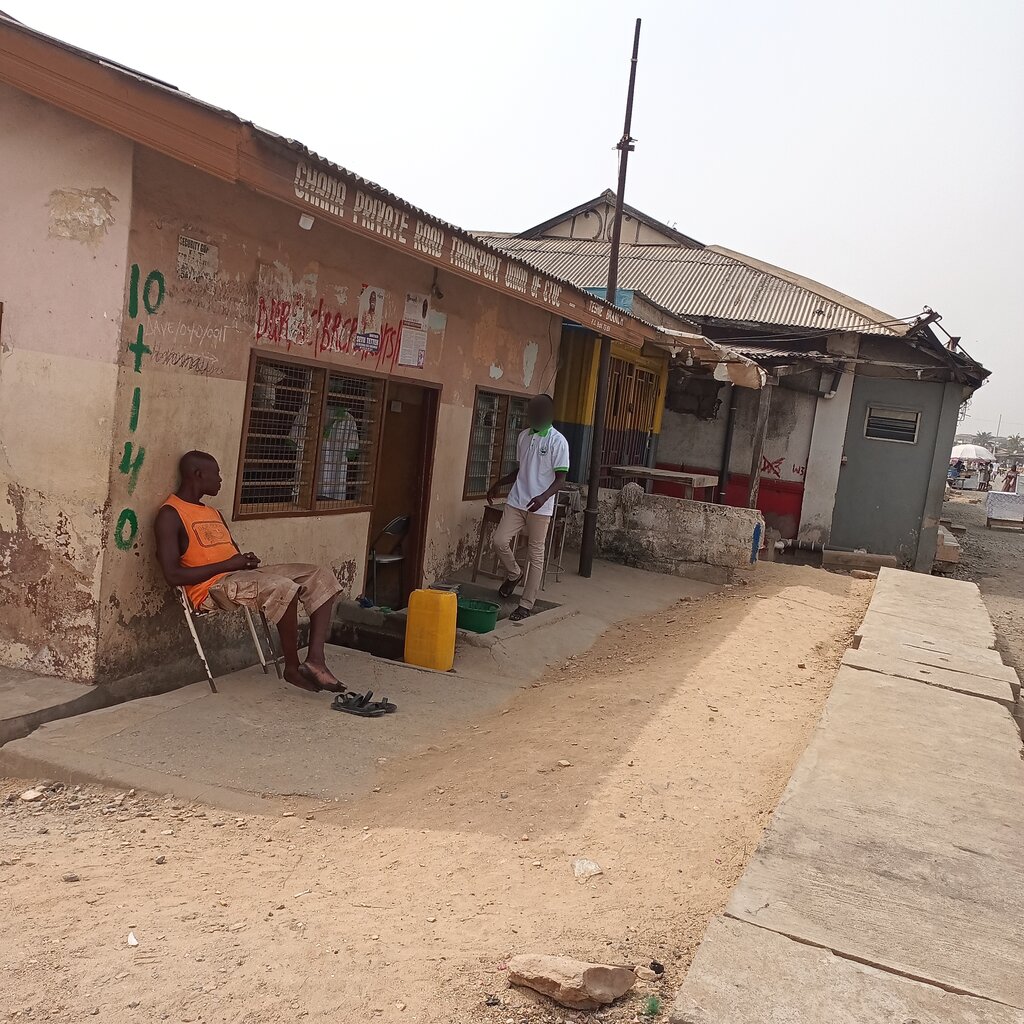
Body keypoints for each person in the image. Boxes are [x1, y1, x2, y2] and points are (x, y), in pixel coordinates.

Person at [155, 451, 346, 694]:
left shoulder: (213, 513)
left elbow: (230, 555)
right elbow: (172, 576)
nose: (221, 480)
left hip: (237, 576)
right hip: (211, 588)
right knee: (283, 587)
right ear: (198, 474)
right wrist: (229, 565)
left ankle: (316, 661)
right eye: (217, 474)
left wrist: (244, 562)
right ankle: (292, 667)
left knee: (319, 575)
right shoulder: (170, 515)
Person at [486, 395, 569, 622]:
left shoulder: (557, 441)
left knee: (535, 554)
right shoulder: (523, 436)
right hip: (517, 501)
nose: (534, 415)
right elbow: (521, 470)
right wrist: (499, 483)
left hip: (540, 508)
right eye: (532, 411)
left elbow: (561, 479)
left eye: (540, 411)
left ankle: (526, 604)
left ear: (550, 413)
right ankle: (514, 574)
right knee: (499, 540)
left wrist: (543, 497)